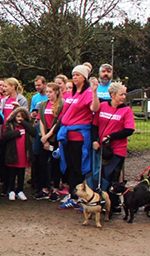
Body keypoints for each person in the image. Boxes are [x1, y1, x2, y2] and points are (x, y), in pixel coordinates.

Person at [57, 64, 96, 210]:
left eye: (77, 75)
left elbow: (94, 108)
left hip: (78, 138)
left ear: (84, 77)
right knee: (70, 167)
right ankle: (73, 196)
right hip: (67, 136)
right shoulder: (72, 93)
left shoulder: (87, 93)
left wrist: (95, 92)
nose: (74, 77)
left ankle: (81, 197)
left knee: (79, 168)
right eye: (73, 74)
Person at [91, 81, 133, 213]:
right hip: (102, 148)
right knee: (100, 175)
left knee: (112, 177)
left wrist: (111, 137)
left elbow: (129, 129)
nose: (123, 97)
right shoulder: (103, 106)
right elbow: (94, 125)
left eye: (124, 95)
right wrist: (94, 140)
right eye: (121, 94)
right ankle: (102, 201)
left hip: (117, 149)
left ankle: (114, 205)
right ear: (112, 95)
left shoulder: (126, 110)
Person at [35, 83, 64, 201]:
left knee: (55, 165)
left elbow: (58, 123)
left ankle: (56, 189)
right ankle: (44, 188)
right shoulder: (43, 105)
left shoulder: (62, 105)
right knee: (42, 162)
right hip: (44, 137)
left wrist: (48, 136)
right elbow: (41, 120)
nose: (48, 94)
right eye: (47, 92)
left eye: (50, 92)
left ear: (56, 92)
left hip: (55, 137)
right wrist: (43, 137)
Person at [1, 107, 37, 201]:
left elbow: (34, 132)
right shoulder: (11, 125)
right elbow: (5, 136)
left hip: (24, 153)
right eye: (17, 116)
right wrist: (16, 133)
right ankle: (11, 190)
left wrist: (24, 123)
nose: (19, 119)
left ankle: (20, 190)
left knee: (21, 172)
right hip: (13, 153)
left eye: (21, 117)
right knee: (12, 172)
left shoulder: (27, 126)